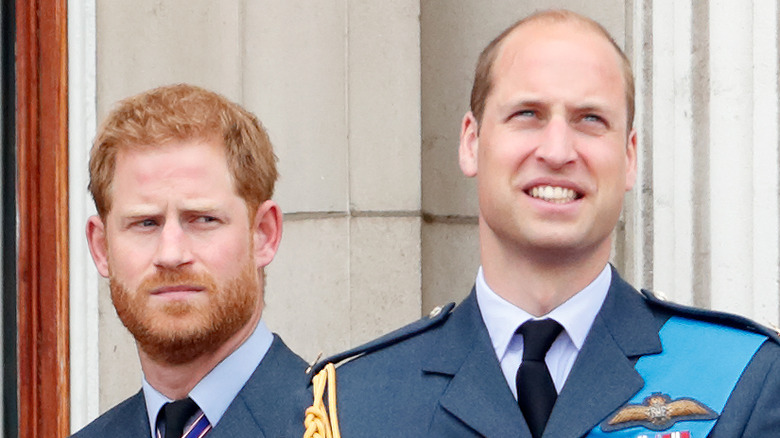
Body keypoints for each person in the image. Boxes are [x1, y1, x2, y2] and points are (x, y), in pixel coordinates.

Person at [308, 9, 780, 438]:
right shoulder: (356, 403)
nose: (557, 151)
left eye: (590, 119)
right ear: (471, 142)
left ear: (630, 156)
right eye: (527, 114)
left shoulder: (742, 380)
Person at [72, 84, 308, 438]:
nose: (171, 254)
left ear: (263, 234)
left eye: (202, 219)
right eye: (145, 223)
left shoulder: (351, 425)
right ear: (102, 248)